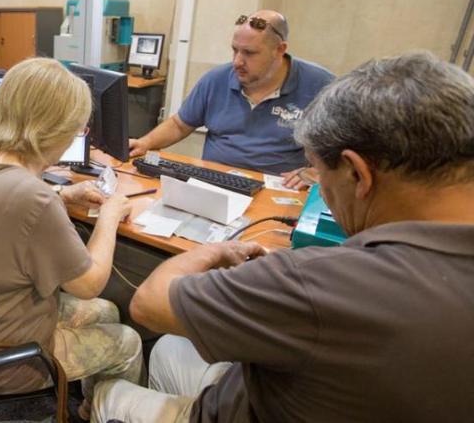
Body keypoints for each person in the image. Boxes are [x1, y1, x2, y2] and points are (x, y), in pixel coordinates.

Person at [94, 52, 474, 422]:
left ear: (358, 174)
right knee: (171, 351)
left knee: (111, 394)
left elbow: (150, 304)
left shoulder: (319, 283)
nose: (323, 195)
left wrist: (213, 252)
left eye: (321, 178)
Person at [0, 57, 143, 420]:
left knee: (110, 312)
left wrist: (62, 196)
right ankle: (94, 412)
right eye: (77, 130)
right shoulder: (30, 197)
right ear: (52, 131)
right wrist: (110, 216)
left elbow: (4, 214)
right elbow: (90, 283)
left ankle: (84, 402)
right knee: (128, 342)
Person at [129, 10, 334, 185]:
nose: (237, 61)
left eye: (249, 53)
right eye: (234, 50)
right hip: (213, 182)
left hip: (275, 188)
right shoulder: (216, 79)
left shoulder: (321, 86)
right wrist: (146, 142)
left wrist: (319, 173)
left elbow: (352, 148)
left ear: (280, 50)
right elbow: (179, 124)